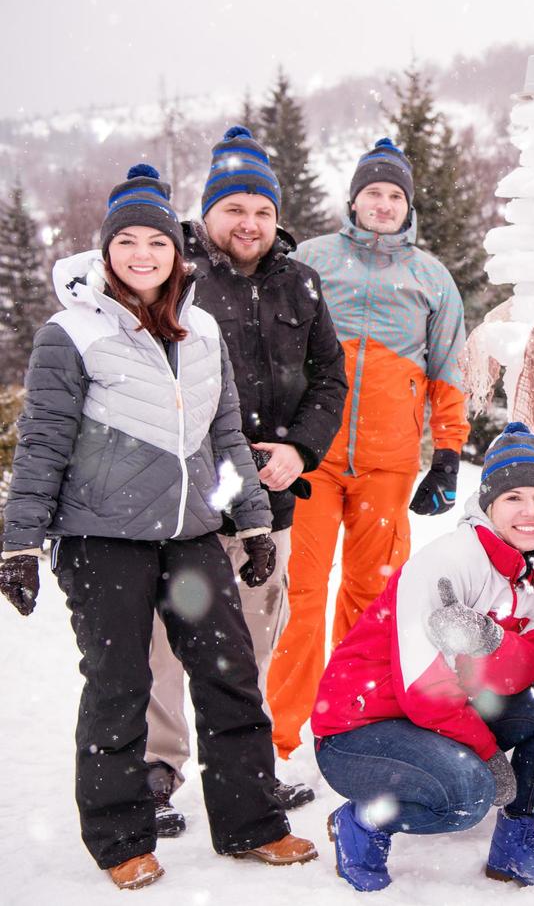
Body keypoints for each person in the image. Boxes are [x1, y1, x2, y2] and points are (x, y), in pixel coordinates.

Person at [0, 164, 317, 890]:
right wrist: (19, 541)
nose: (143, 254)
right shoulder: (69, 335)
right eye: (128, 241)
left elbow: (227, 437)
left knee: (231, 675)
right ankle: (121, 840)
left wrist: (255, 523)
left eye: (157, 242)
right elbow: (43, 443)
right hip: (100, 538)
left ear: (177, 252)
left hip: (193, 535)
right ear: (106, 250)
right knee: (119, 683)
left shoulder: (201, 329)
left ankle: (252, 823)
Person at [142, 125, 348, 836]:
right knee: (169, 639)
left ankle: (245, 769)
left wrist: (300, 450)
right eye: (235, 209)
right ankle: (157, 766)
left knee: (256, 640)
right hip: (187, 502)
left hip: (273, 501)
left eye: (262, 210)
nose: (250, 223)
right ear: (208, 212)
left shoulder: (300, 281)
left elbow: (330, 379)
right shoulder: (174, 276)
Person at [310, 423, 534, 892]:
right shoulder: (447, 564)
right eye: (514, 497)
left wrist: (490, 641)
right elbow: (424, 691)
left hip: (433, 718)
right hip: (358, 730)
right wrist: (489, 753)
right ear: (489, 503)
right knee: (467, 796)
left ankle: (515, 844)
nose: (530, 512)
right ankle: (361, 822)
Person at [269, 136, 470, 759]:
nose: (382, 204)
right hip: (308, 455)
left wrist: (447, 455)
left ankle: (349, 719)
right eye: (372, 193)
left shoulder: (431, 276)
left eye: (393, 195)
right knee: (297, 588)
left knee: (372, 594)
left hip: (388, 462)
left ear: (406, 206)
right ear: (353, 200)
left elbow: (448, 369)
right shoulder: (311, 259)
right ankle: (280, 732)